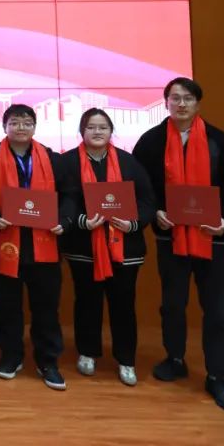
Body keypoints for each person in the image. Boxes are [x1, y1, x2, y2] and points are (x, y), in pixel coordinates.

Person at [133, 77, 224, 413]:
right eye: (175, 98)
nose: (181, 104)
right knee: (172, 304)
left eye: (187, 98)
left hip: (212, 239)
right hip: (169, 237)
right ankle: (175, 358)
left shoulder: (220, 142)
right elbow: (138, 187)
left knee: (216, 310)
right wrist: (155, 212)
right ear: (166, 103)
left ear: (198, 103)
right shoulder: (151, 142)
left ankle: (217, 375)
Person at [0, 104, 76, 391]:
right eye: (14, 123)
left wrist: (64, 220)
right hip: (6, 241)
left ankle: (48, 361)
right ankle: (11, 355)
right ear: (4, 127)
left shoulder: (53, 160)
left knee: (46, 306)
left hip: (45, 242)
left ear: (35, 127)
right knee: (7, 304)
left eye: (26, 123)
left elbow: (70, 196)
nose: (20, 128)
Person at [59, 108, 155, 387]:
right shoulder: (67, 163)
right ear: (82, 131)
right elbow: (61, 199)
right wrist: (81, 221)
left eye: (102, 127)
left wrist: (133, 223)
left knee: (123, 304)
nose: (97, 132)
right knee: (86, 301)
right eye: (91, 127)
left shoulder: (129, 162)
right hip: (83, 246)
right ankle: (88, 352)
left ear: (111, 131)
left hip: (126, 247)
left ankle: (126, 359)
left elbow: (147, 200)